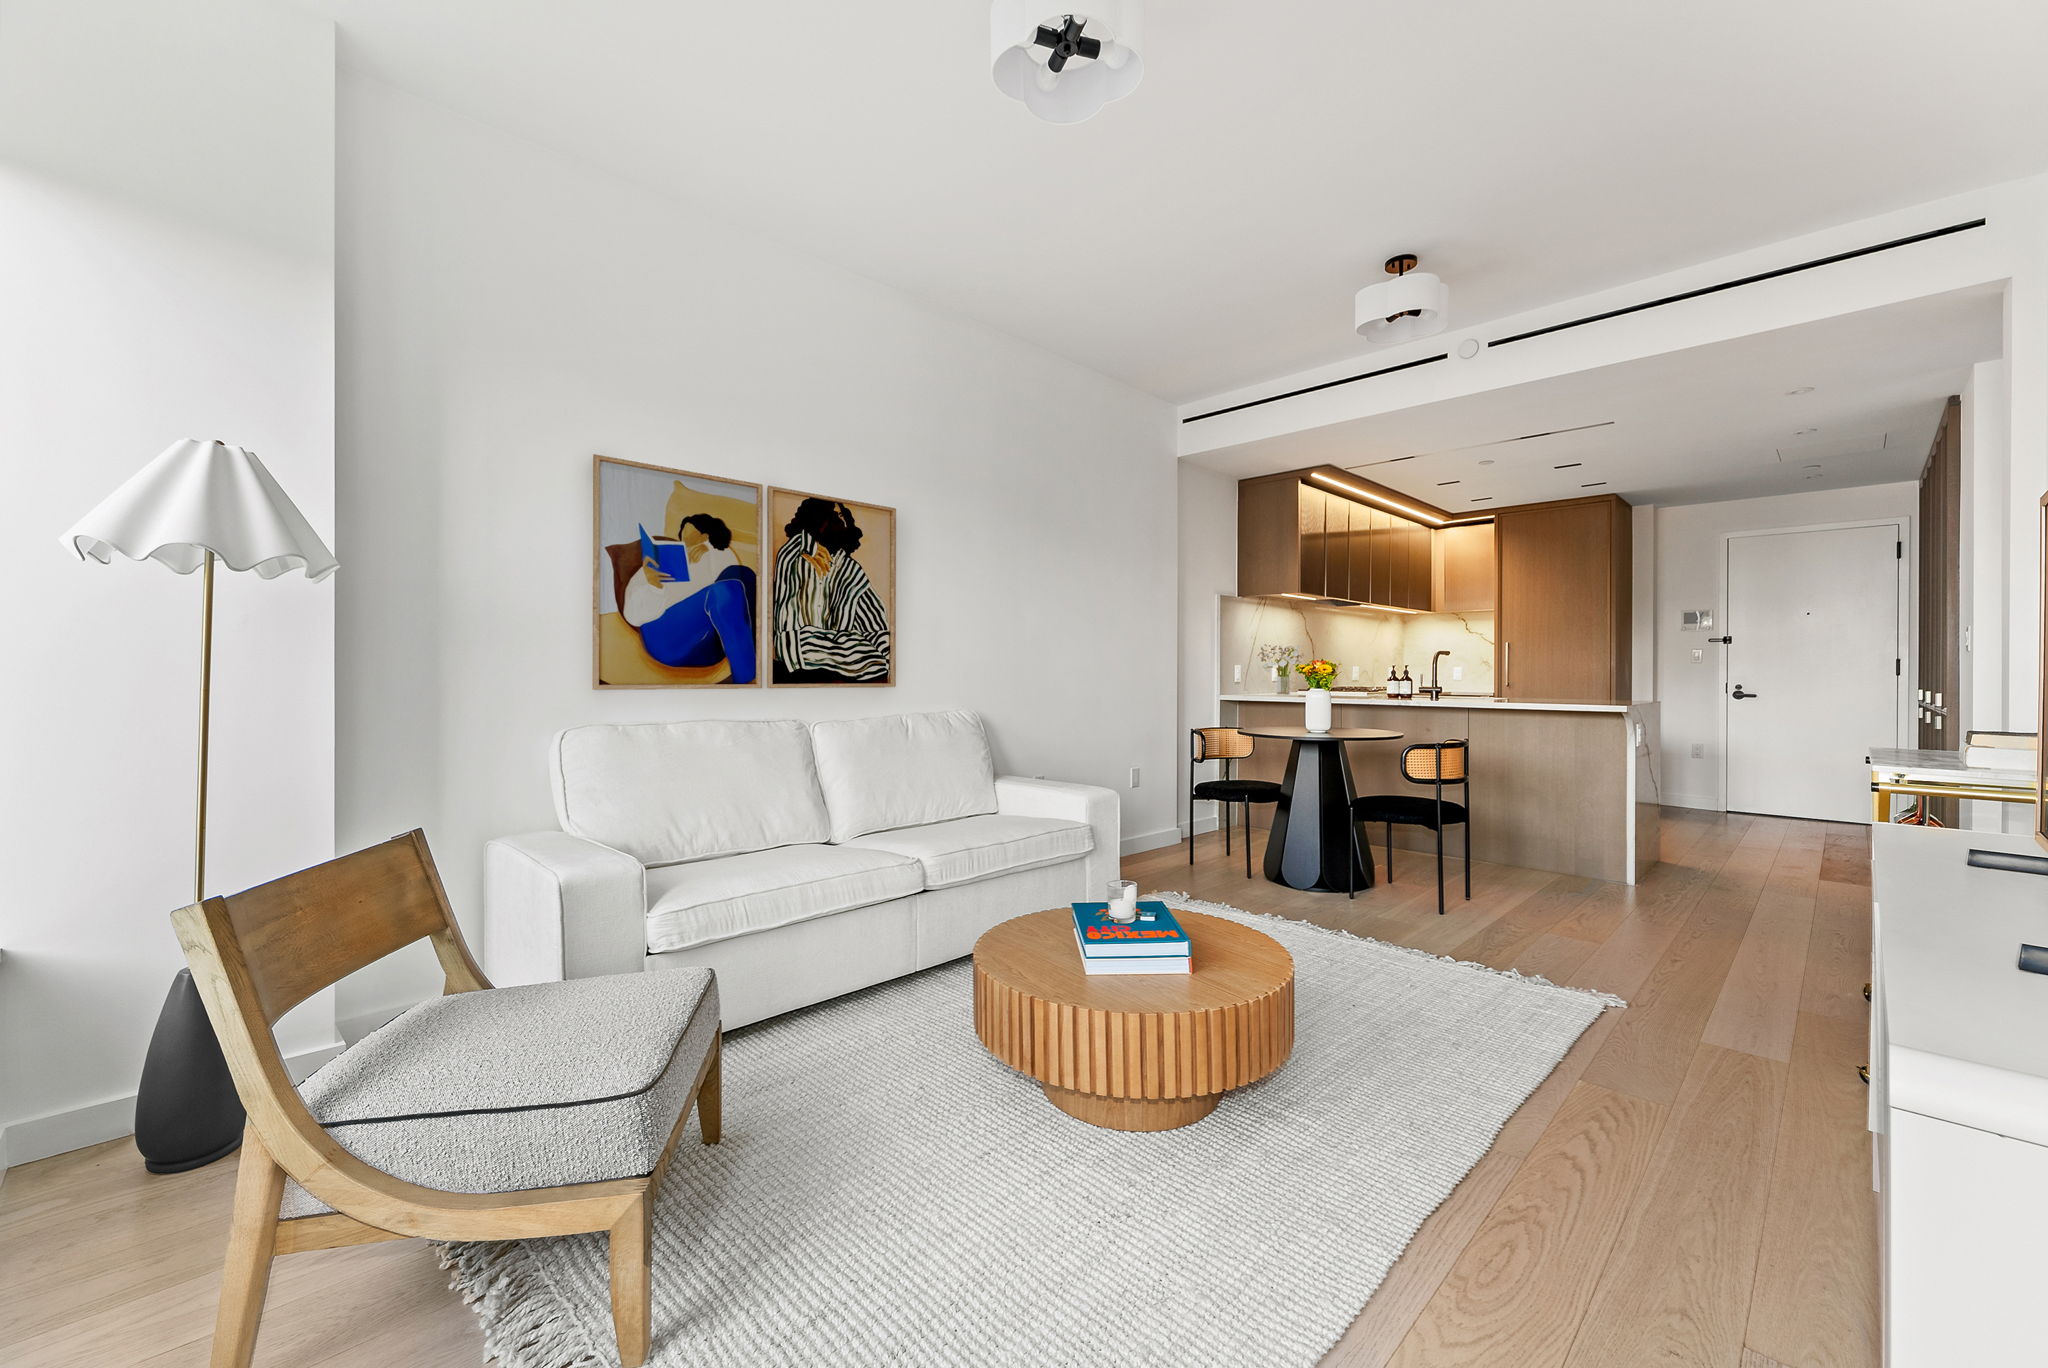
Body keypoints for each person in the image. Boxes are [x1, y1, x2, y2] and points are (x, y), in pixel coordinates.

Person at [622, 513, 757, 683]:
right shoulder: (655, 565)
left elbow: (735, 588)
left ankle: (752, 667)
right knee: (722, 590)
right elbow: (633, 616)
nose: (684, 536)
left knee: (743, 576)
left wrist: (710, 549)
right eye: (683, 531)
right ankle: (746, 679)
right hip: (665, 638)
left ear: (705, 536)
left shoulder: (715, 556)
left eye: (691, 532)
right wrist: (654, 587)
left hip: (705, 645)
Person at [772, 497, 889, 683]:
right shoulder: (792, 556)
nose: (841, 521)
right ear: (817, 518)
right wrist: (809, 546)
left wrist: (887, 657)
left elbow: (876, 627)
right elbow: (788, 634)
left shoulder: (850, 569)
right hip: (797, 652)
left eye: (842, 516)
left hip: (841, 656)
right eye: (835, 515)